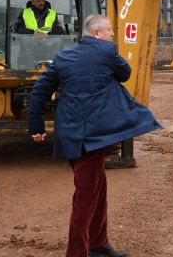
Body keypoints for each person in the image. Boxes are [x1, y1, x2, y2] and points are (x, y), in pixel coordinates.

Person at [28, 14, 161, 257]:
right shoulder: (107, 52)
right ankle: (76, 253)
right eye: (109, 30)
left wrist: (36, 125)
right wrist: (112, 55)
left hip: (72, 135)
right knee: (86, 197)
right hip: (89, 138)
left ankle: (98, 244)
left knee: (98, 188)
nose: (112, 34)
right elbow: (126, 73)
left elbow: (39, 91)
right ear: (96, 33)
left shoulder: (63, 57)